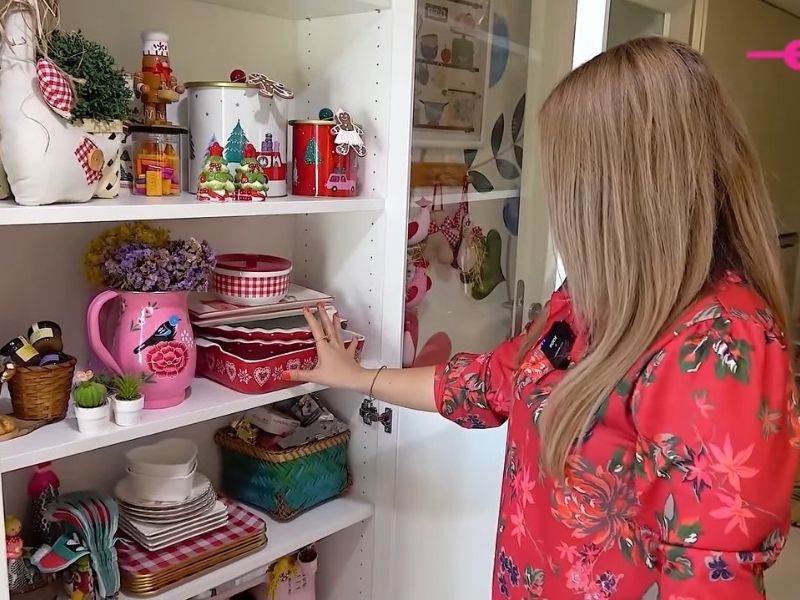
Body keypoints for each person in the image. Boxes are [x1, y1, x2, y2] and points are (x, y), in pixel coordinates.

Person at [281, 37, 799, 599]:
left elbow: (708, 579)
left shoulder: (718, 348)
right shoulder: (591, 299)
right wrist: (355, 377)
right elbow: (488, 383)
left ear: (618, 188)